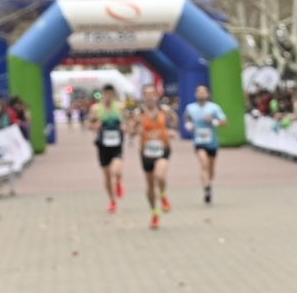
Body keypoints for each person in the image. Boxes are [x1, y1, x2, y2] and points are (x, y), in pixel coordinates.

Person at [130, 84, 175, 229]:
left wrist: (171, 131)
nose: (150, 97)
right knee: (149, 185)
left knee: (159, 176)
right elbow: (130, 131)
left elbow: (175, 121)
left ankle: (162, 195)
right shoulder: (138, 113)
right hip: (146, 152)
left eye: (152, 94)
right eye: (146, 94)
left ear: (156, 96)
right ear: (143, 97)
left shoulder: (164, 110)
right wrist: (136, 129)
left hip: (163, 149)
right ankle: (154, 213)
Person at [183, 84, 228, 205]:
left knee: (211, 169)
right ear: (195, 94)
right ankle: (206, 189)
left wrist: (213, 121)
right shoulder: (190, 108)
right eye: (199, 92)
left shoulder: (214, 108)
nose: (201, 94)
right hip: (199, 141)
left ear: (208, 94)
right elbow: (186, 120)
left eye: (204, 92)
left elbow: (224, 121)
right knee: (204, 164)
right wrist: (189, 127)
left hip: (212, 142)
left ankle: (209, 184)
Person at [88, 83, 127, 213]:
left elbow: (127, 122)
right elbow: (90, 124)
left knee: (117, 171)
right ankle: (112, 201)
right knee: (107, 175)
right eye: (106, 94)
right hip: (103, 145)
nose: (108, 96)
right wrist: (95, 126)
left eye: (110, 94)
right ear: (103, 94)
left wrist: (125, 127)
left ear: (114, 94)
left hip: (117, 144)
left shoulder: (120, 107)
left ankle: (119, 182)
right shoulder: (96, 109)